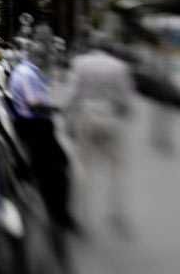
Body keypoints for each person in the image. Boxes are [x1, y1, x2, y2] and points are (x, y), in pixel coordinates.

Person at [9, 42, 75, 270]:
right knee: (55, 174)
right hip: (35, 130)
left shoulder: (29, 72)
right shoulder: (26, 74)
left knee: (59, 169)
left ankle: (58, 214)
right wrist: (56, 109)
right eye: (44, 54)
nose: (47, 58)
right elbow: (34, 104)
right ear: (36, 55)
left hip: (35, 129)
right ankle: (57, 218)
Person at [66, 30, 133, 238]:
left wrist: (67, 116)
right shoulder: (119, 67)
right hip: (110, 116)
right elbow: (125, 98)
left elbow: (73, 93)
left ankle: (82, 214)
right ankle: (115, 210)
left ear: (91, 46)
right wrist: (124, 110)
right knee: (115, 166)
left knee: (84, 167)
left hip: (86, 114)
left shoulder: (80, 63)